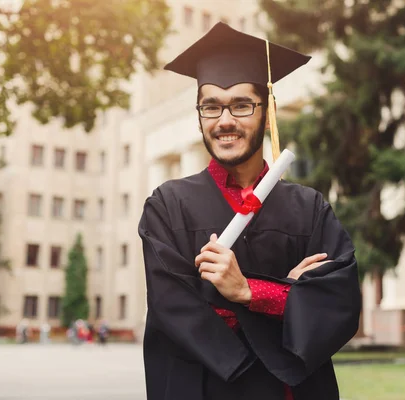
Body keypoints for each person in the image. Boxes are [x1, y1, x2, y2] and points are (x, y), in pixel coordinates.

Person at [138, 22, 361, 400]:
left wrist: (246, 291)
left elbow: (339, 303)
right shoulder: (168, 206)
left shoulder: (309, 209)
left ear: (267, 109)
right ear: (199, 115)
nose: (225, 120)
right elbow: (172, 311)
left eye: (241, 104)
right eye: (211, 106)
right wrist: (287, 295)